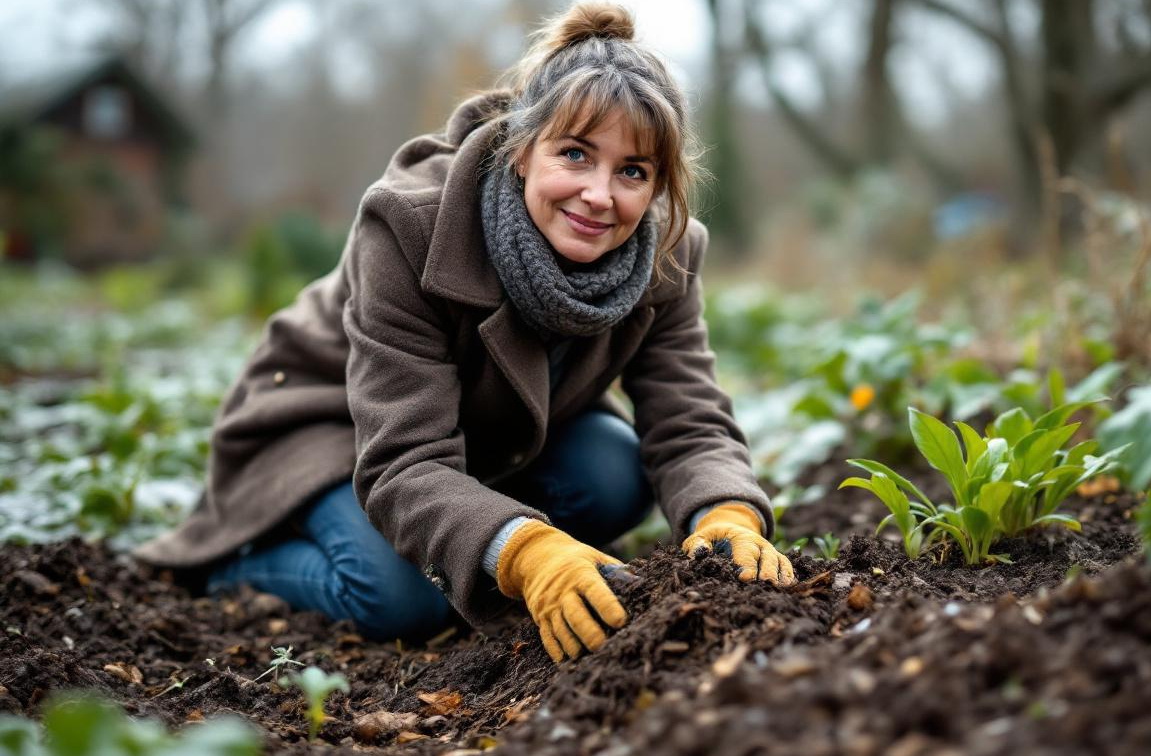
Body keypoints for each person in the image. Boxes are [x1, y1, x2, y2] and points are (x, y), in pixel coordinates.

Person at [134, 1, 795, 663]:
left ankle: (476, 533)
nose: (600, 195)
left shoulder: (667, 254)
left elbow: (689, 416)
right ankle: (242, 567)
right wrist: (526, 551)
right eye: (575, 154)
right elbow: (403, 459)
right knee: (405, 600)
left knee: (613, 473)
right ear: (521, 151)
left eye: (632, 171)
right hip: (334, 427)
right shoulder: (411, 228)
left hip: (481, 439)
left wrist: (724, 511)